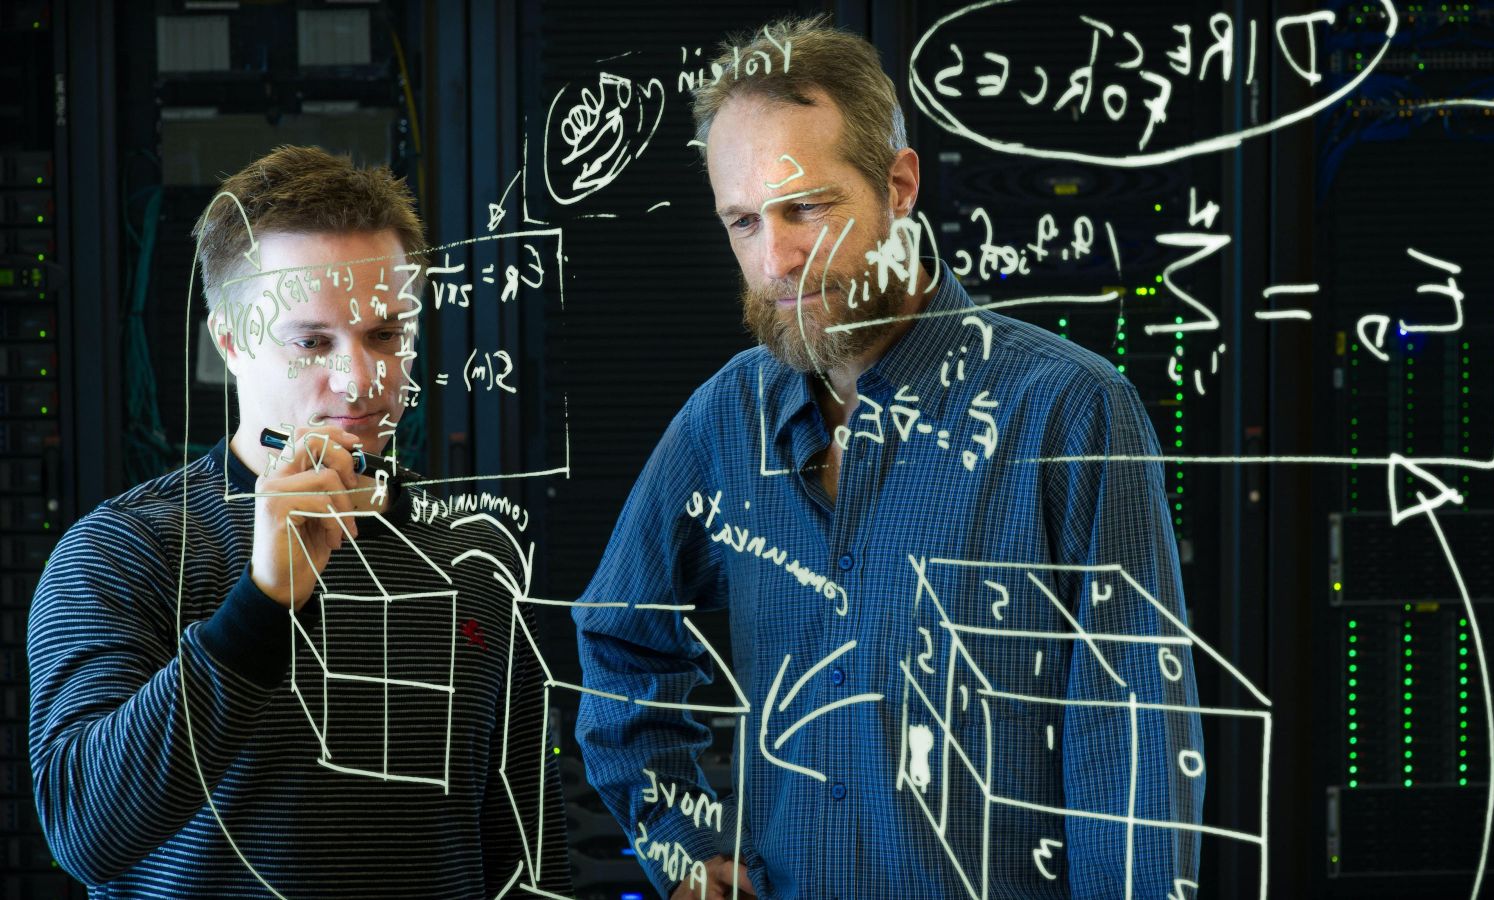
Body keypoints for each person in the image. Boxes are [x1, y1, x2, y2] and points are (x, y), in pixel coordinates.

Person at [573, 16, 1204, 900]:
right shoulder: (728, 415)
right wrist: (682, 846)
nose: (777, 258)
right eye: (744, 221)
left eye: (808, 207)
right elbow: (618, 632)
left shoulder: (1070, 409)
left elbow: (1130, 745)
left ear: (899, 186)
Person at [28, 146, 570, 898]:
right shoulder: (125, 552)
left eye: (386, 335)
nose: (362, 380)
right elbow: (82, 831)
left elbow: (527, 858)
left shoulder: (470, 559)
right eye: (312, 342)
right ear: (229, 341)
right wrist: (262, 603)